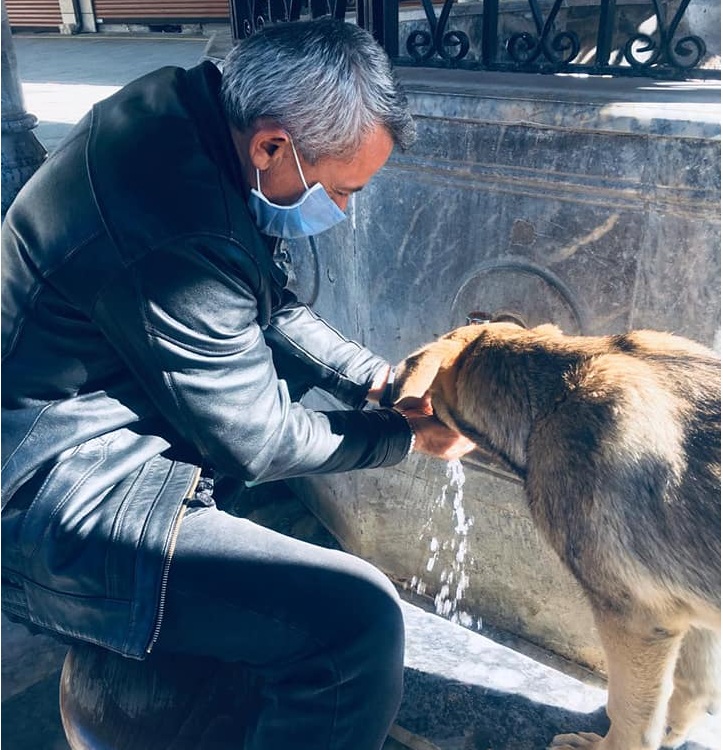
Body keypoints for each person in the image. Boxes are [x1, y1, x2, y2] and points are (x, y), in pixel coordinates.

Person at [1, 18, 473, 750]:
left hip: (92, 432)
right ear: (272, 145)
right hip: (53, 494)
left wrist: (380, 382)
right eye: (340, 190)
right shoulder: (177, 220)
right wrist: (403, 436)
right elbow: (255, 438)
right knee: (355, 620)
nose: (342, 213)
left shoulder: (182, 108)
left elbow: (268, 306)